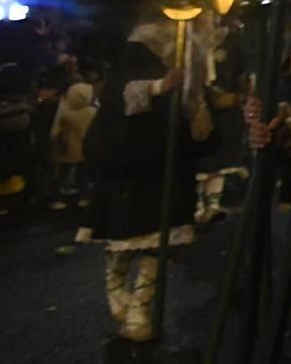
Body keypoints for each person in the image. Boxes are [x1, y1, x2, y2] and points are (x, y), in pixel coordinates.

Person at [81, 27, 217, 342]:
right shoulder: (125, 77)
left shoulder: (182, 74)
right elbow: (122, 95)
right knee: (125, 246)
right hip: (127, 175)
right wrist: (159, 86)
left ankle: (140, 309)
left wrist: (195, 100)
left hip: (165, 174)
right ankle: (117, 291)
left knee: (158, 247)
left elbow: (197, 126)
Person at [50, 80, 97, 210]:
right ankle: (84, 197)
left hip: (67, 149)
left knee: (62, 175)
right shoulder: (93, 112)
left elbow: (55, 133)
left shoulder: (66, 114)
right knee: (83, 174)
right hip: (85, 148)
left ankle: (56, 199)